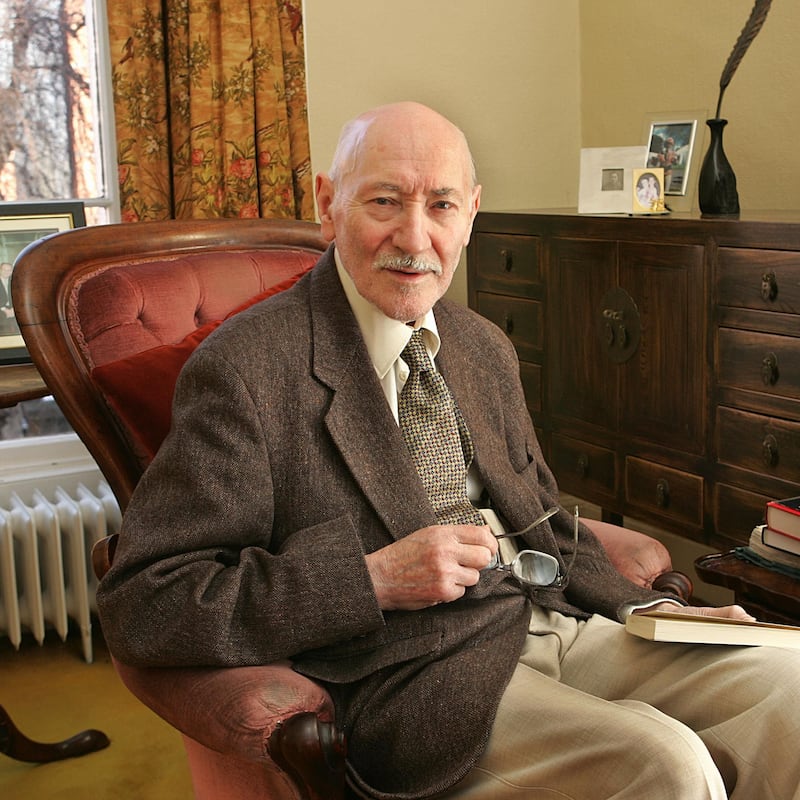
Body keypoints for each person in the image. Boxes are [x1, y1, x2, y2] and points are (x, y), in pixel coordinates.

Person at [96, 102, 800, 800]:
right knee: (666, 765)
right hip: (415, 679)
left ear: (471, 215)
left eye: (441, 205)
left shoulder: (481, 346)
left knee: (791, 689)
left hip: (552, 620)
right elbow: (146, 603)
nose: (415, 235)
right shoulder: (246, 370)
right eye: (384, 202)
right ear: (327, 204)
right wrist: (369, 578)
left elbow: (543, 520)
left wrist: (658, 615)